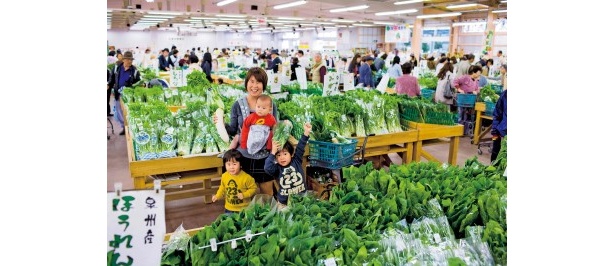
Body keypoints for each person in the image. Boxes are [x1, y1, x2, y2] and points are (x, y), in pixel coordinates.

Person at [217, 67, 279, 197]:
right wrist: (220, 123)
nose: (254, 86)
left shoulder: (270, 104)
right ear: (246, 83)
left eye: (258, 82)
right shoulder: (238, 105)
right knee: (244, 195)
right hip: (243, 157)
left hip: (265, 158)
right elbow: (233, 130)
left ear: (264, 85)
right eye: (251, 81)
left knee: (267, 194)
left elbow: (275, 128)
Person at [264, 122, 312, 207]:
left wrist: (306, 133)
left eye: (285, 154)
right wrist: (273, 152)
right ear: (275, 158)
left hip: (301, 199)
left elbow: (300, 146)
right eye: (278, 155)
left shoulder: (296, 160)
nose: (282, 157)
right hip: (284, 203)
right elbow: (267, 167)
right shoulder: (276, 169)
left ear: (291, 154)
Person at [212, 149, 258, 214]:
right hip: (229, 208)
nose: (231, 167)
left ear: (240, 164)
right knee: (229, 223)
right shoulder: (224, 176)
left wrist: (244, 195)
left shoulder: (246, 177)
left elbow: (253, 188)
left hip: (244, 208)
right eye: (228, 164)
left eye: (234, 164)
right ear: (224, 165)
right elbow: (222, 187)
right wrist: (217, 196)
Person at [108, 51, 141, 135]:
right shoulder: (117, 68)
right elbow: (112, 79)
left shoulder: (135, 71)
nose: (130, 61)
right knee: (119, 112)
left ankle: (130, 128)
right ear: (123, 60)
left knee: (128, 112)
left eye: (131, 60)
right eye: (128, 59)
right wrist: (109, 85)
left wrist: (140, 85)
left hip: (129, 96)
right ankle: (124, 127)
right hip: (118, 94)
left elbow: (139, 82)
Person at [490, 90, 507, 162]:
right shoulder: (505, 94)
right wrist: (494, 132)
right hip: (501, 132)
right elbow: (497, 114)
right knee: (495, 154)